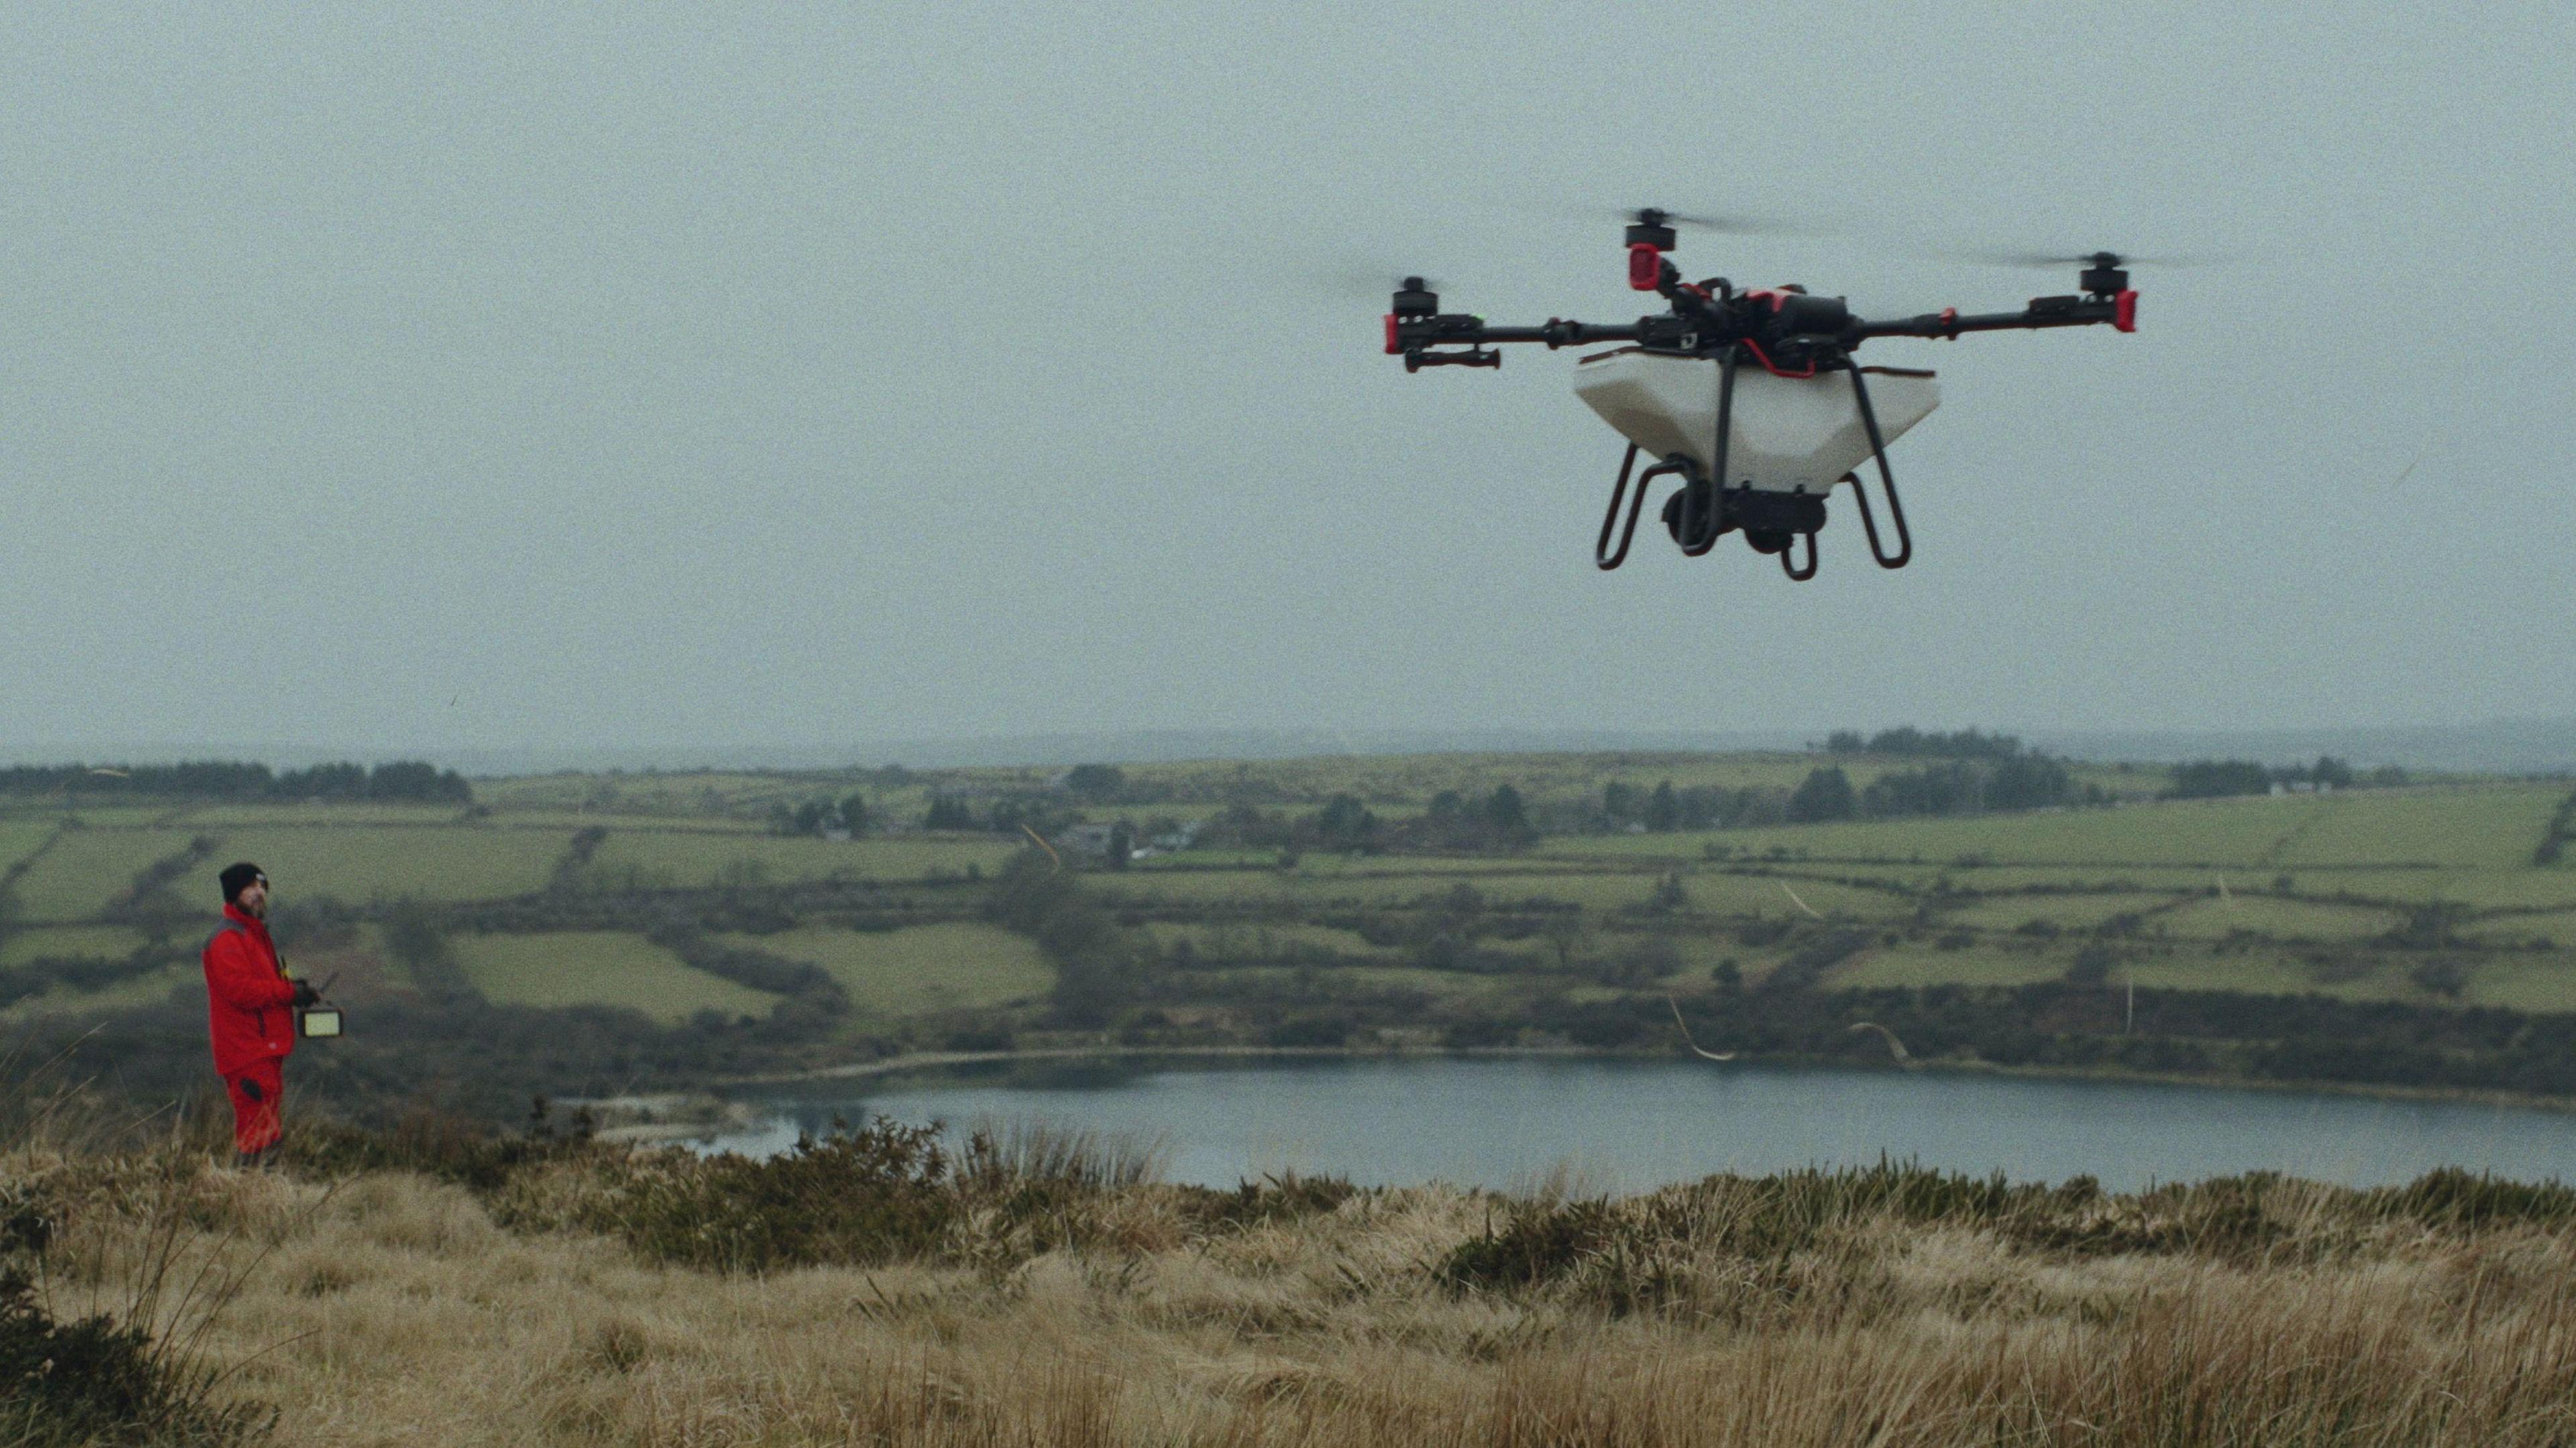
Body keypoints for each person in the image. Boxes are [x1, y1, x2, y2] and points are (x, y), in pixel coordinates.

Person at [202, 862, 317, 1166]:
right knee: (257, 1134)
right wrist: (289, 993)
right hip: (247, 1051)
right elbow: (242, 992)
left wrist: (293, 990)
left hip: (262, 1050)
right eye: (250, 887)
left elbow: (262, 985)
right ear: (233, 893)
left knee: (266, 1129)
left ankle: (260, 1196)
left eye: (262, 886)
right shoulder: (228, 939)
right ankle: (250, 1199)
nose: (259, 893)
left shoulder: (253, 934)